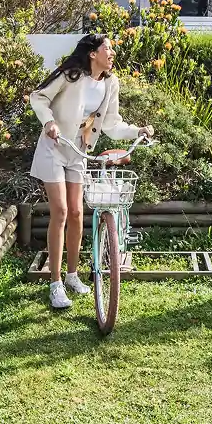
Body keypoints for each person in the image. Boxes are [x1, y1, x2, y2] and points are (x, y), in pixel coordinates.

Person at [29, 33, 154, 311]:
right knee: (61, 211)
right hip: (54, 146)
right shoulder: (71, 75)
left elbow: (111, 124)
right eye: (107, 48)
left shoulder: (110, 83)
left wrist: (138, 131)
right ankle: (55, 284)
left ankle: (72, 276)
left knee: (76, 213)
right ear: (92, 53)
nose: (112, 53)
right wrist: (49, 122)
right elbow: (38, 97)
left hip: (78, 148)